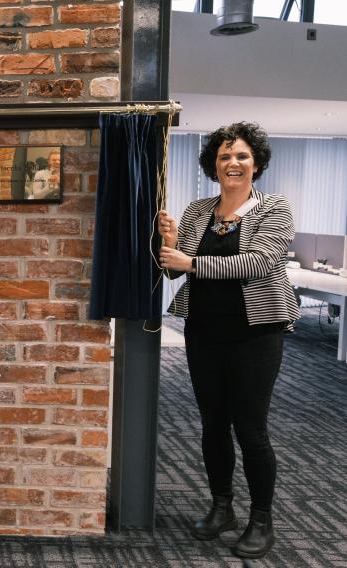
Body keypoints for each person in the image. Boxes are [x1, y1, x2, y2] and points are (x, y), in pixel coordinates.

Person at [158, 122, 299, 559]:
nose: (232, 163)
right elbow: (175, 270)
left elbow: (257, 263)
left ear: (255, 163)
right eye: (223, 157)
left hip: (256, 334)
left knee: (250, 430)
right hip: (204, 331)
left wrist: (189, 260)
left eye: (240, 156)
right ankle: (222, 508)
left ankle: (262, 520)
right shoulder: (200, 211)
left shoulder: (274, 208)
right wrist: (170, 245)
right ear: (213, 166)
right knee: (213, 425)